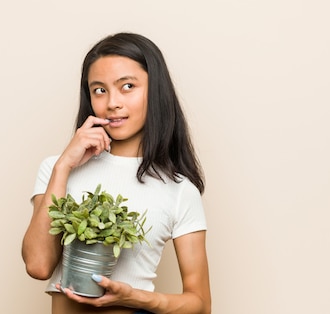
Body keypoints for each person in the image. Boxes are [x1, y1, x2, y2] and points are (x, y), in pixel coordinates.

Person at [21, 32, 212, 314]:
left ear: (155, 90)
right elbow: (38, 265)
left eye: (127, 86)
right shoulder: (56, 168)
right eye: (99, 90)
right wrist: (63, 167)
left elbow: (201, 304)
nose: (112, 102)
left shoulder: (179, 189)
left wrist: (134, 297)